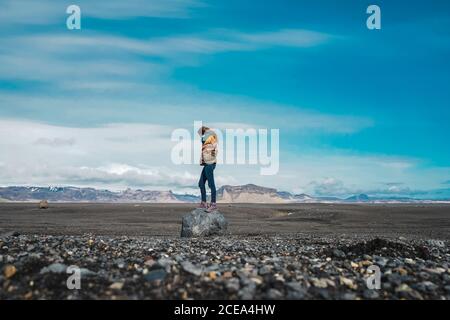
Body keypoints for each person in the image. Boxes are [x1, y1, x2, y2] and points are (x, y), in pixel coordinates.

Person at [198, 126, 218, 212]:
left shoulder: (211, 138)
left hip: (210, 164)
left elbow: (215, 150)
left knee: (211, 184)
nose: (201, 137)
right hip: (206, 164)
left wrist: (211, 158)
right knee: (201, 183)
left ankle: (213, 204)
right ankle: (204, 203)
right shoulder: (206, 142)